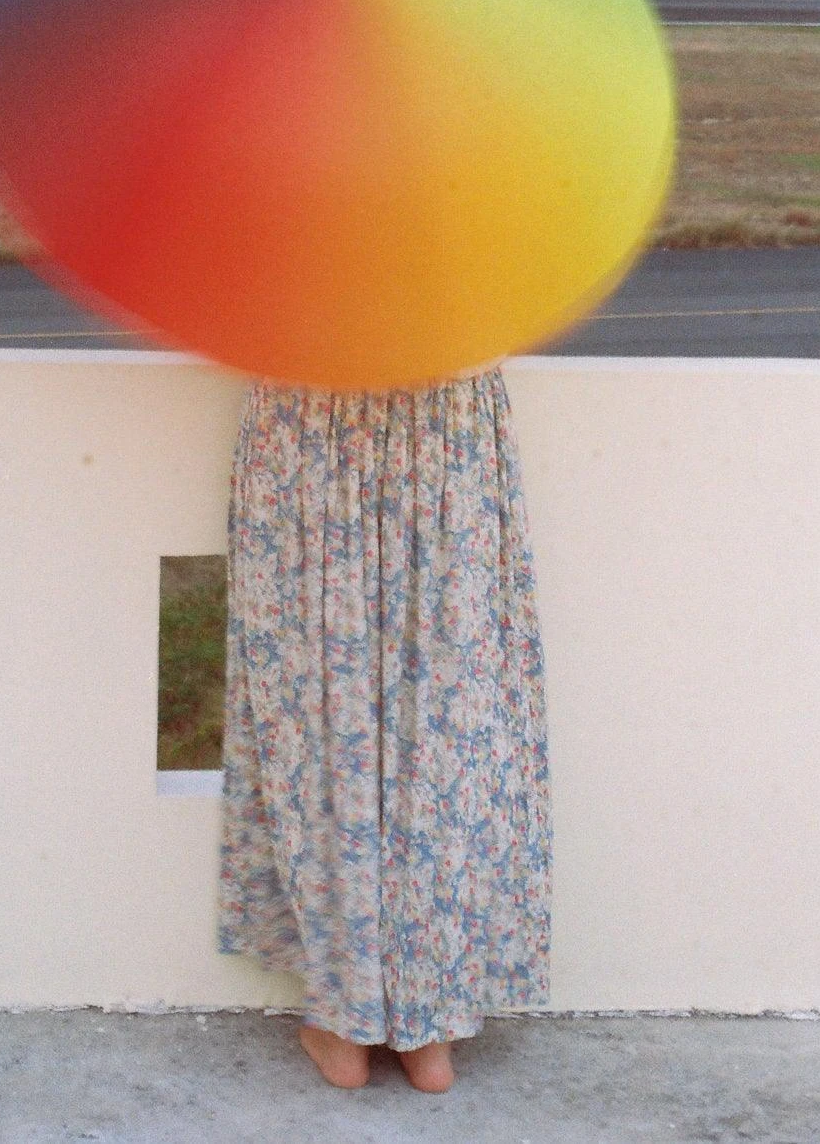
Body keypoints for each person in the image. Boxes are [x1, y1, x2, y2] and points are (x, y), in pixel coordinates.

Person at [218, 368, 551, 1094]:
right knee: (447, 719)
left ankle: (345, 1023)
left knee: (319, 712)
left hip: (309, 411)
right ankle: (431, 1031)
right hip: (446, 426)